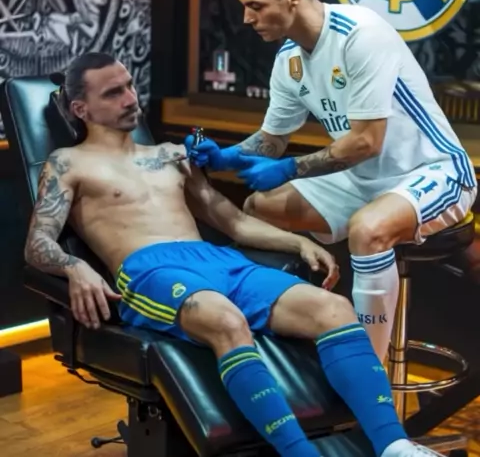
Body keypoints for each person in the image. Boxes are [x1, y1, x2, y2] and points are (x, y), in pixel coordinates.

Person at [24, 51, 441, 457]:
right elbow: (37, 243)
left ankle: (395, 445)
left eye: (130, 86)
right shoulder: (68, 164)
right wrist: (75, 266)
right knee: (226, 320)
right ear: (81, 109)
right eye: (113, 93)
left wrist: (298, 242)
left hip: (218, 261)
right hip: (150, 271)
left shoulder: (172, 155)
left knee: (334, 309)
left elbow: (235, 223)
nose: (131, 98)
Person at [186, 0, 477, 363]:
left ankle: (369, 377)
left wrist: (290, 168)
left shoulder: (360, 34)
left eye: (255, 6)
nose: (247, 18)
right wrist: (225, 156)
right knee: (258, 208)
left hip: (434, 171)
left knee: (367, 230)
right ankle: (285, 345)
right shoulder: (289, 59)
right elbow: (272, 140)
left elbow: (366, 141)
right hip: (362, 179)